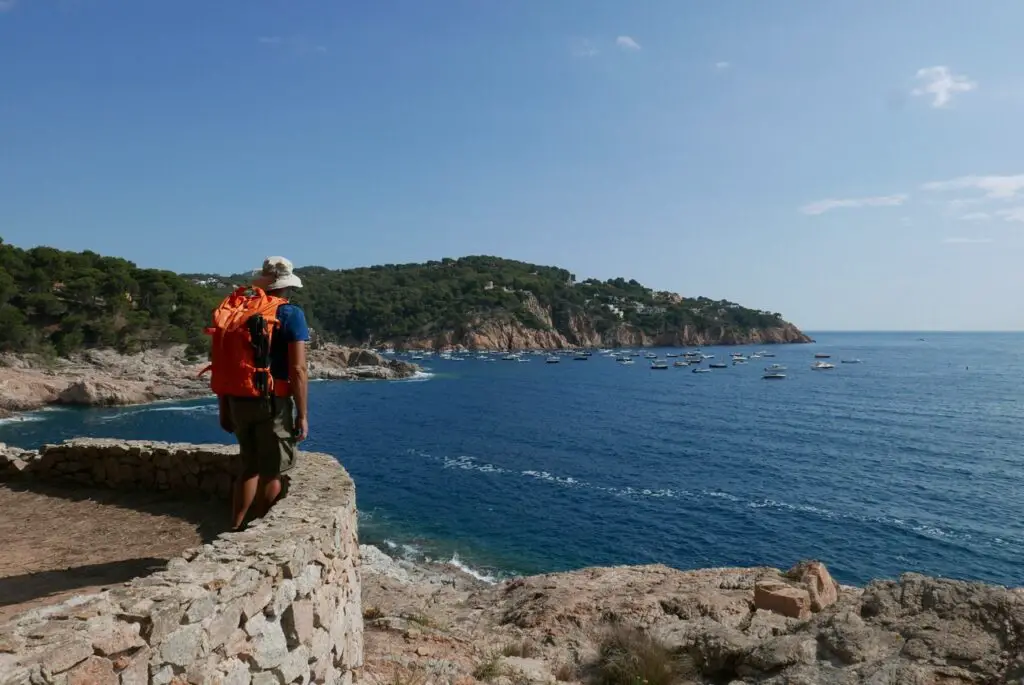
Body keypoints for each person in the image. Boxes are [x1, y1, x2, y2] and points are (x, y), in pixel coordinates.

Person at [215, 256, 310, 530]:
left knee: (248, 467)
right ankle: (257, 529)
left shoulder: (238, 312)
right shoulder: (290, 314)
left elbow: (224, 362)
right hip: (272, 403)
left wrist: (224, 406)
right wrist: (302, 415)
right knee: (271, 473)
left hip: (236, 399)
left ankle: (234, 526)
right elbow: (299, 370)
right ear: (286, 286)